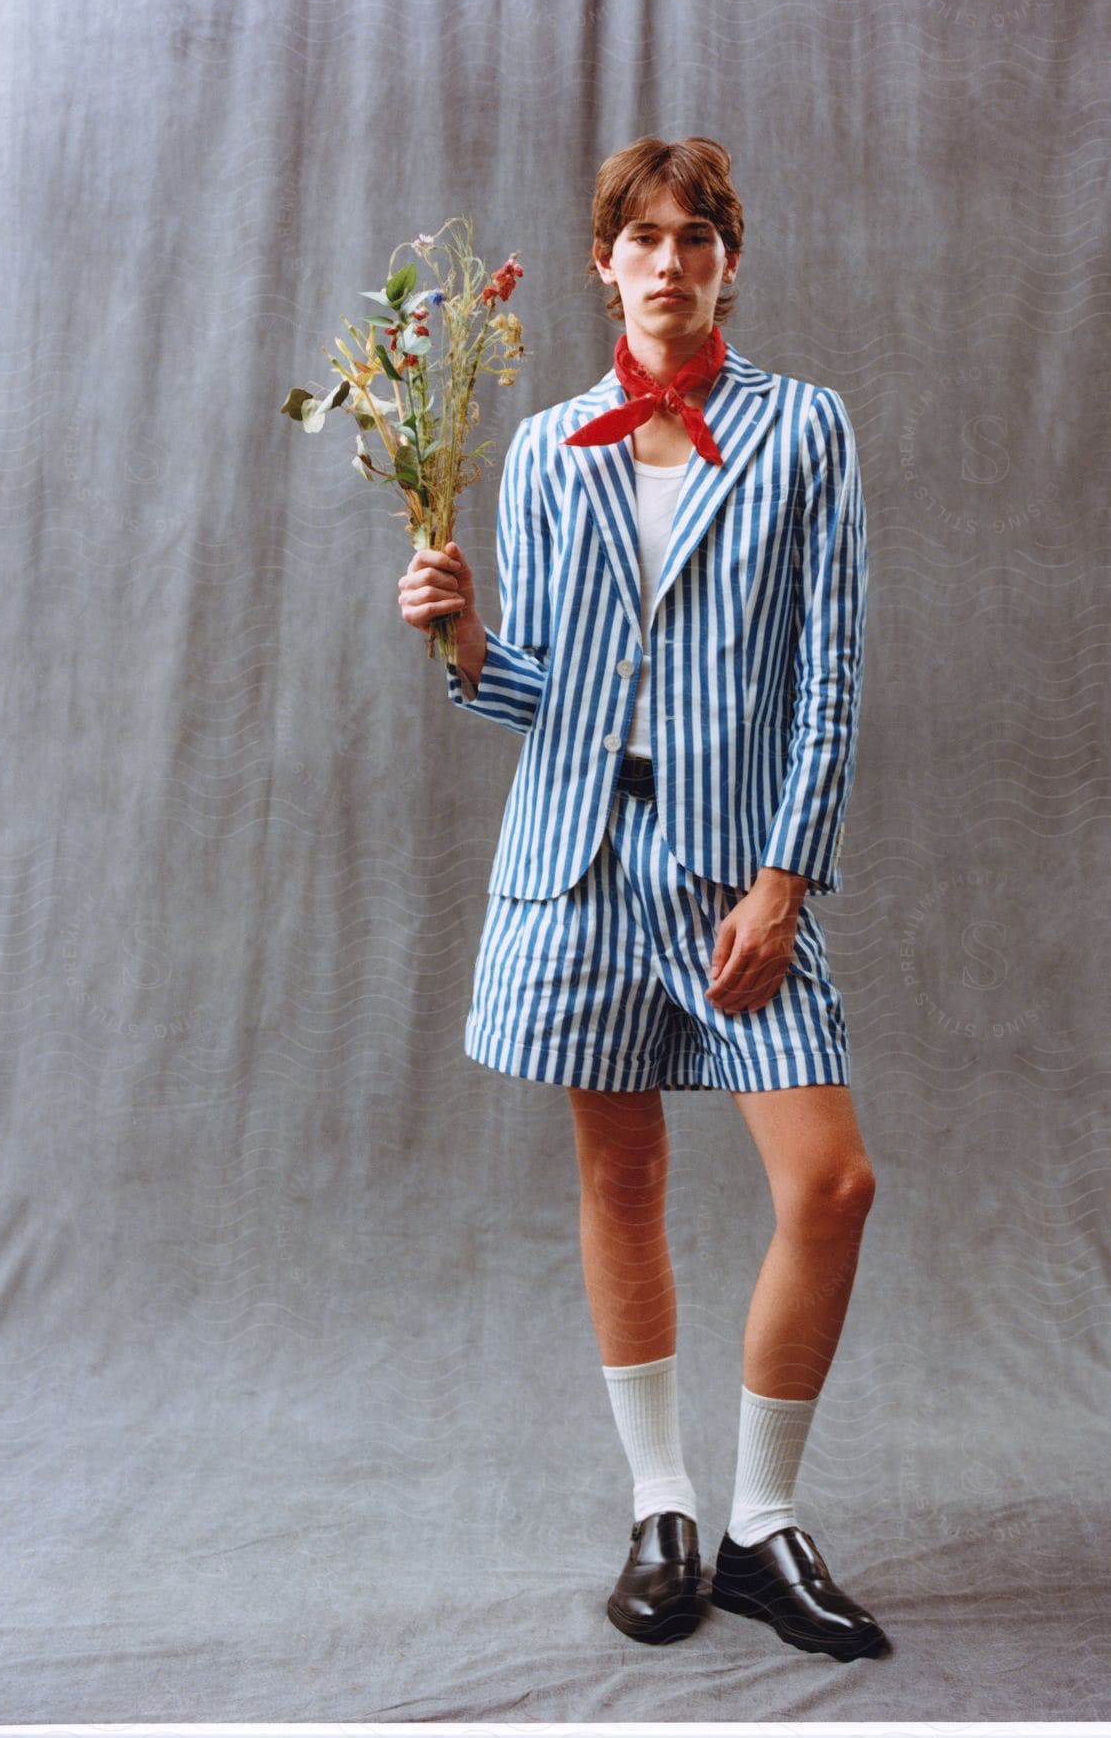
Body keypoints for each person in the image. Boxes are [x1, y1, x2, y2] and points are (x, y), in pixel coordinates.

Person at [397, 136, 887, 1663]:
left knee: (828, 1184)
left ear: (728, 263)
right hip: (577, 870)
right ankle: (663, 1508)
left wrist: (784, 875)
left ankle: (764, 1522)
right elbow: (528, 698)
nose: (665, 263)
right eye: (639, 240)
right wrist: (467, 638)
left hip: (736, 876)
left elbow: (830, 671)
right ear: (603, 264)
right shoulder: (548, 449)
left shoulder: (802, 432)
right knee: (622, 1182)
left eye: (694, 238)